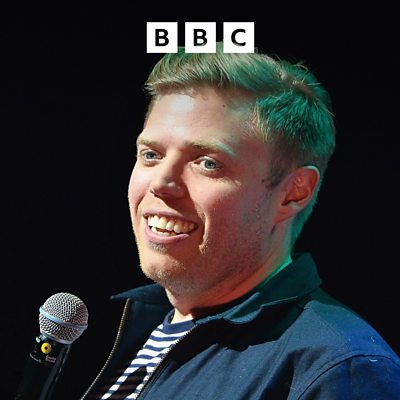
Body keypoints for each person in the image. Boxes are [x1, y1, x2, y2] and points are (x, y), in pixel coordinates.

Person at [81, 42, 400, 399]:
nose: (161, 183)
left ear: (293, 192)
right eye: (151, 155)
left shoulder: (338, 368)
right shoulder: (116, 333)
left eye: (208, 163)